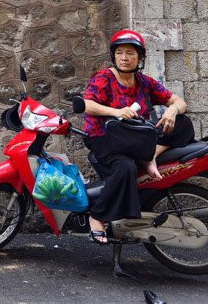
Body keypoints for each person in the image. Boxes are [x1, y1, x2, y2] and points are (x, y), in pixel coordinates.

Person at [81, 29, 193, 244]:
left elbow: (178, 101)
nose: (124, 58)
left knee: (183, 123)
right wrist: (116, 112)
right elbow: (87, 104)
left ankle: (148, 156)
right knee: (126, 168)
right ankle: (97, 217)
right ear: (114, 56)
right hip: (104, 138)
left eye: (130, 53)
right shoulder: (104, 78)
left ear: (140, 58)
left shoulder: (144, 82)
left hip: (133, 139)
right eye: (120, 53)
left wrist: (172, 110)